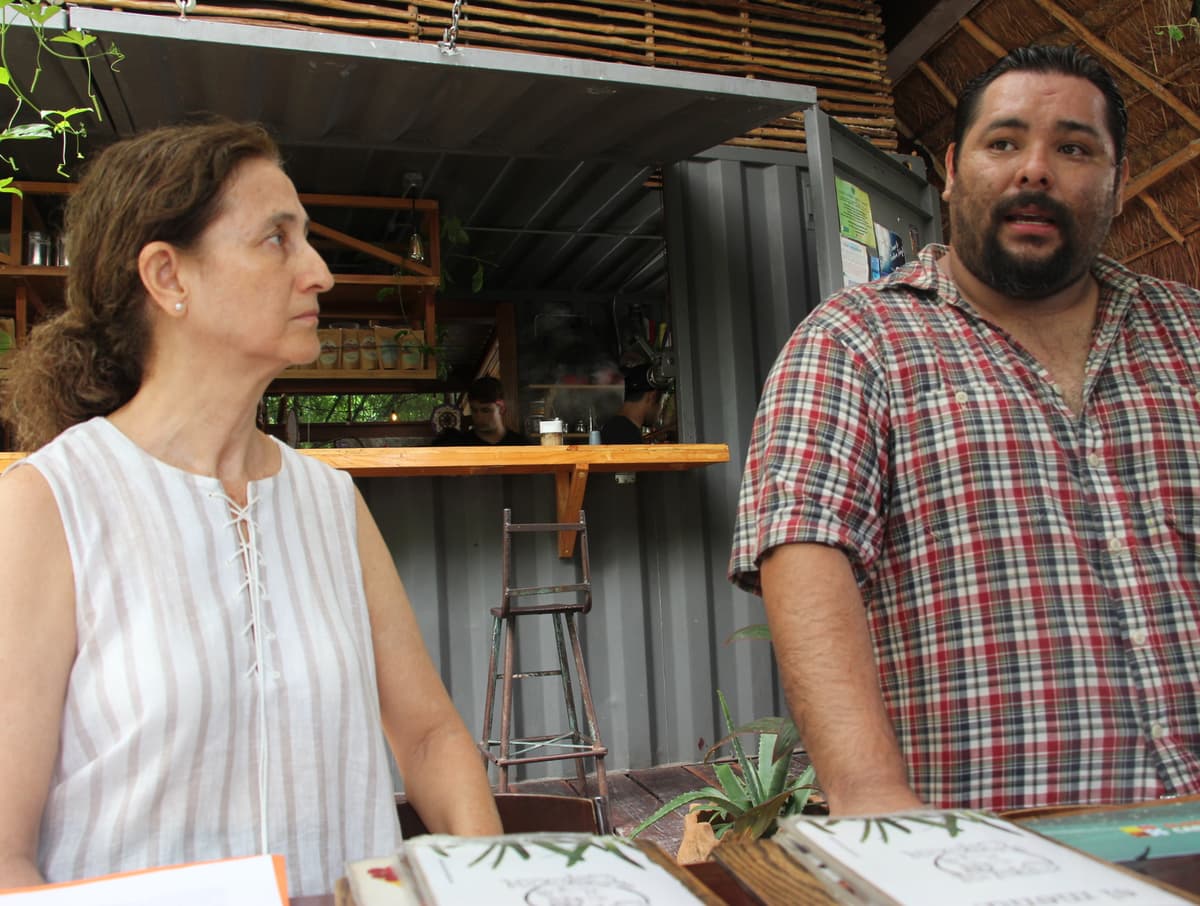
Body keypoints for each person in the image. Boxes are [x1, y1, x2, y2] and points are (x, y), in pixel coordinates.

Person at [0, 120, 501, 896]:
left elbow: (431, 738)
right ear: (169, 277)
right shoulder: (50, 505)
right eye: (277, 239)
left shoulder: (330, 502)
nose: (320, 273)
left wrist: (489, 886)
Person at [730, 45, 1200, 816]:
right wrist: (875, 802)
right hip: (984, 844)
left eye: (1074, 148)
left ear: (1114, 179)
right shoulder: (858, 339)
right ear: (951, 169)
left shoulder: (1186, 334)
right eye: (1005, 142)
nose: (1036, 170)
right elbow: (804, 552)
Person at [434, 376, 529, 445]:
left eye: (486, 410)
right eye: (474, 410)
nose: (479, 417)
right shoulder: (461, 444)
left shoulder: (520, 444)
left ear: (501, 408)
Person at [599, 364, 664, 444]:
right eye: (660, 402)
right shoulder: (625, 434)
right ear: (652, 397)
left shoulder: (618, 428)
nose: (659, 409)